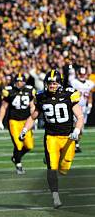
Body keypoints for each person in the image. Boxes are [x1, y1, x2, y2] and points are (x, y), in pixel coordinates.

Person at [20, 70, 83, 208]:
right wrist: (25, 129)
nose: (52, 85)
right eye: (50, 83)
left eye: (54, 83)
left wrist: (77, 130)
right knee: (52, 168)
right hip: (51, 137)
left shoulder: (69, 94)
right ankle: (55, 196)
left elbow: (80, 117)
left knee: (64, 169)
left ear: (59, 83)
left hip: (68, 137)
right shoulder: (41, 96)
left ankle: (52, 159)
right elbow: (33, 116)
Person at [0, 74, 35, 174]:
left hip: (26, 121)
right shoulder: (9, 91)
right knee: (18, 144)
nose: (19, 83)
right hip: (13, 121)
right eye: (17, 81)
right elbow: (3, 107)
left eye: (21, 81)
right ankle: (18, 165)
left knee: (29, 146)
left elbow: (32, 106)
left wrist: (34, 118)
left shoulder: (29, 90)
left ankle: (15, 157)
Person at [68, 65, 93, 153]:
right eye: (80, 74)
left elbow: (89, 94)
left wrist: (89, 105)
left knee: (81, 129)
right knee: (75, 125)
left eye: (83, 74)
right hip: (75, 106)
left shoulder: (89, 83)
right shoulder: (74, 82)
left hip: (84, 107)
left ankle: (76, 143)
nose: (82, 76)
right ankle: (75, 145)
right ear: (78, 74)